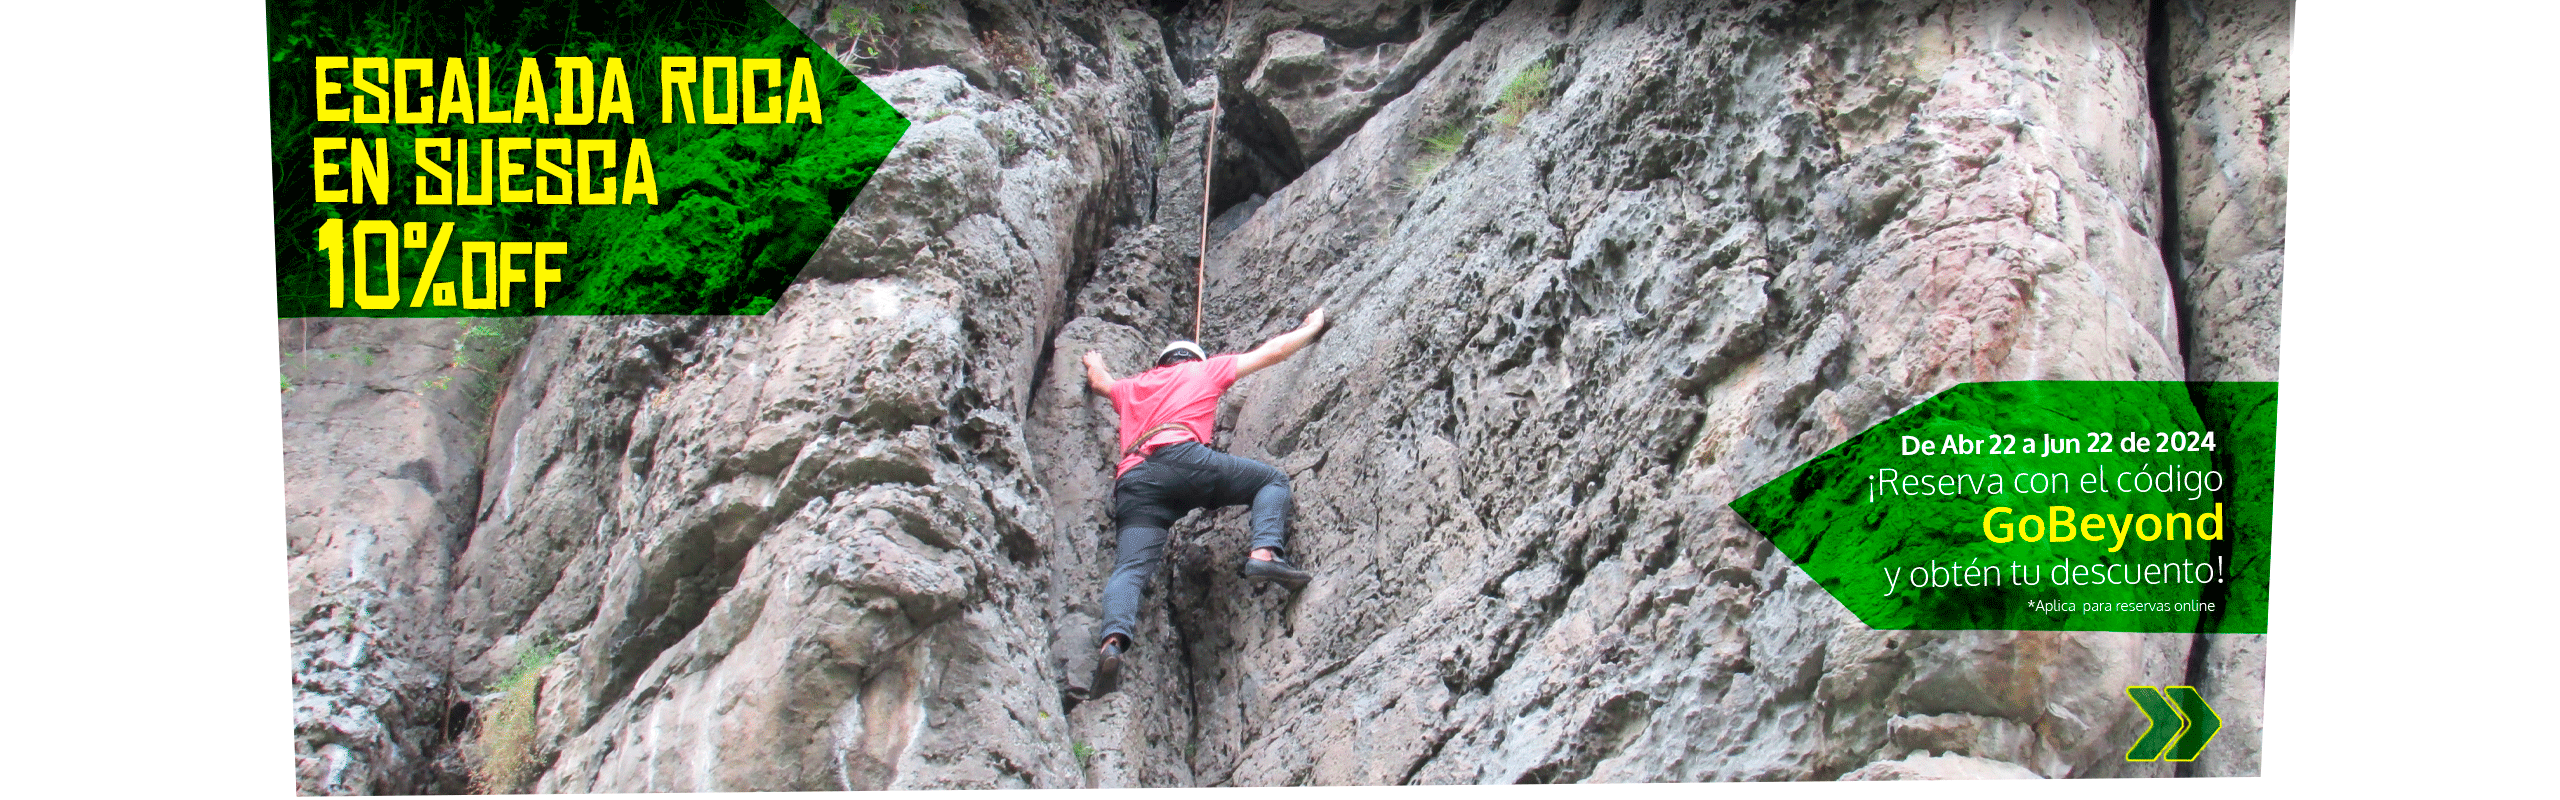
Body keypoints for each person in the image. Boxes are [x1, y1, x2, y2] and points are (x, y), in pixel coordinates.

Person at [1079, 307, 1329, 696]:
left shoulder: (1133, 387)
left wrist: (1094, 361)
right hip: (1183, 459)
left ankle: (1112, 643)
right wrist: (1311, 328)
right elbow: (1273, 352)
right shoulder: (1204, 369)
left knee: (1129, 568)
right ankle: (1264, 555)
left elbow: (1100, 383)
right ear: (1194, 358)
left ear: (1161, 362)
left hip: (1135, 479)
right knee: (1271, 481)